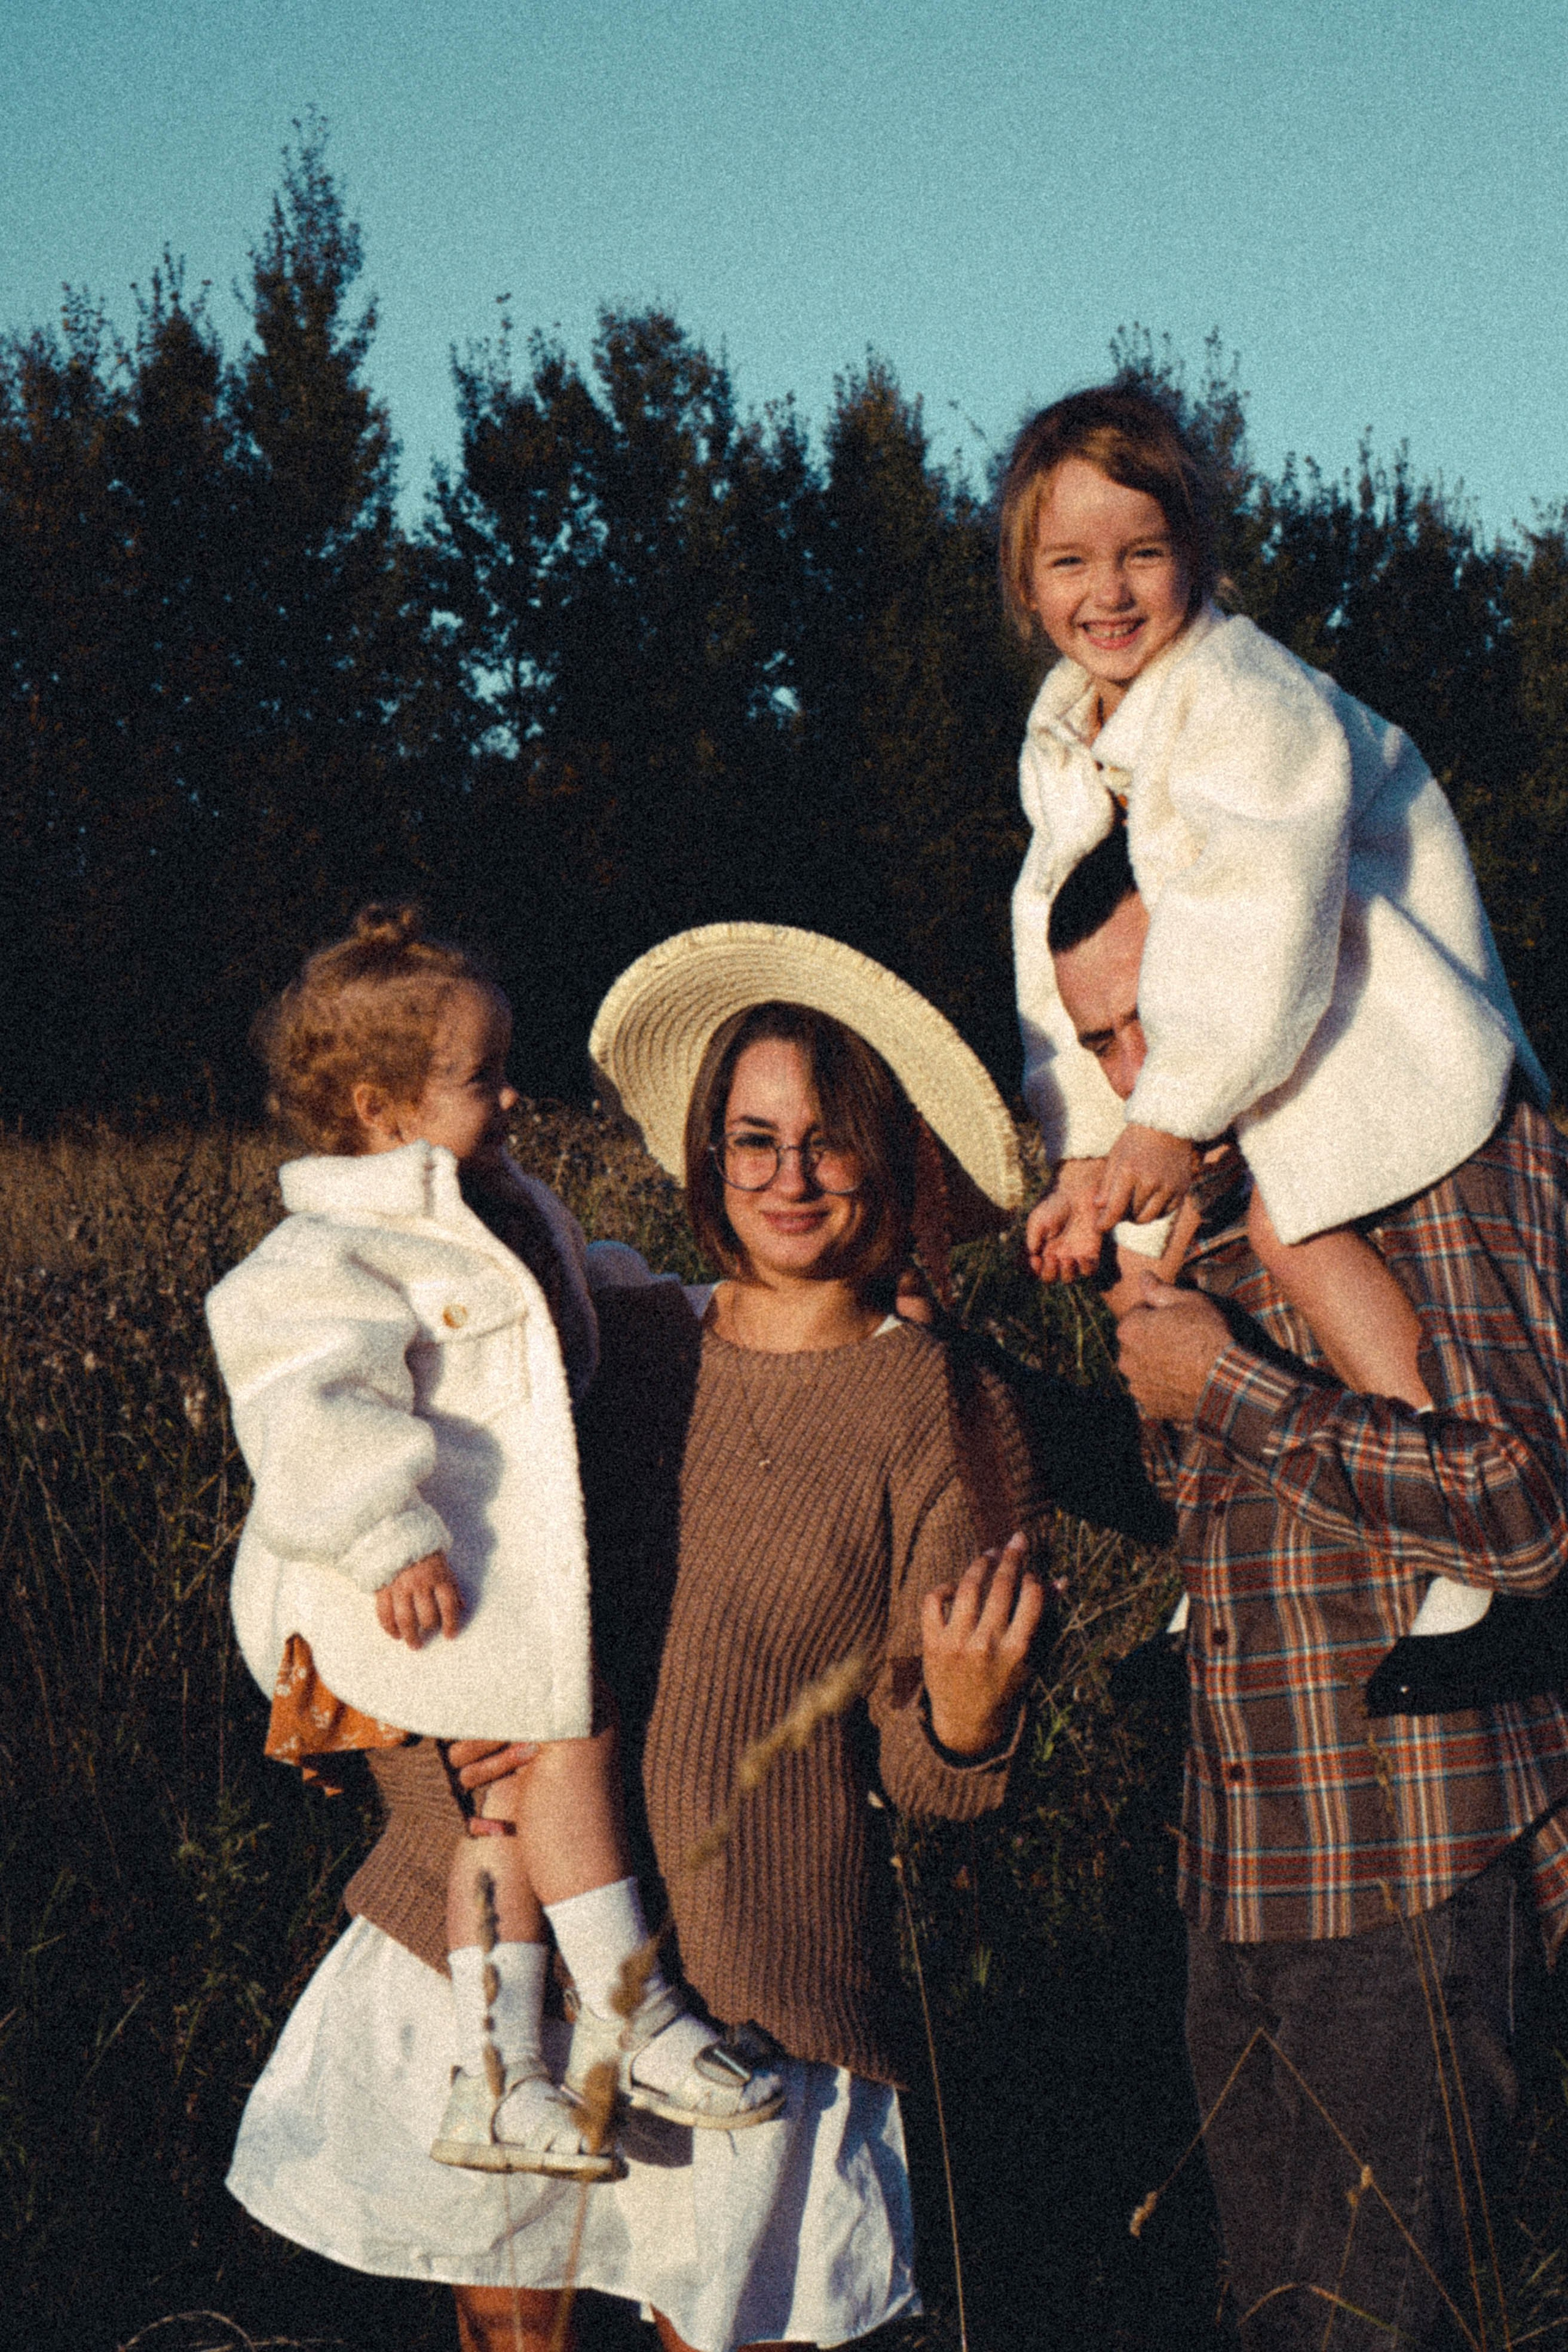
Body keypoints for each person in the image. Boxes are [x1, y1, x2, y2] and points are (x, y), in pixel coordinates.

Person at [225, 919, 1046, 2352]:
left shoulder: (941, 1408)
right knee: (508, 2325)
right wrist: (417, 1737)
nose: (789, 1178)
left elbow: (929, 1777)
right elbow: (422, 1567)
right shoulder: (609, 1340)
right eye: (752, 1137)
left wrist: (971, 1715)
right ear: (707, 1154)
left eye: (831, 1139)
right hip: (501, 1945)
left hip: (752, 1972)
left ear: (899, 1159)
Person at [1048, 833, 1568, 2350]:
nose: (1145, 1072)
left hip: (1405, 1872)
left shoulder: (1432, 1149)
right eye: (1103, 1045)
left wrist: (1221, 1380)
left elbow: (1524, 1509)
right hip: (1245, 1877)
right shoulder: (1214, 1194)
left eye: (1159, 1013)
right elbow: (1215, 1515)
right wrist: (969, 1381)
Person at [206, 905, 784, 2197]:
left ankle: (494, 2078)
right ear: (378, 1106)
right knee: (568, 1737)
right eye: (481, 1076)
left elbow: (585, 1297)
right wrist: (383, 1525)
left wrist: (692, 1307)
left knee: (504, 1804)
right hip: (386, 1576)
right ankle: (628, 2010)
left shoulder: (499, 1202)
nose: (512, 1092)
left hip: (469, 1576)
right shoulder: (332, 1247)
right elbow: (303, 1395)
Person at [1005, 383, 1548, 1446]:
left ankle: (1442, 1460)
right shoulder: (1070, 741)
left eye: (1143, 555)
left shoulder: (1245, 697)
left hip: (1372, 1021)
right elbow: (1054, 938)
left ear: (1197, 559)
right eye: (1071, 563)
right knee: (1147, 1258)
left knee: (1290, 1229)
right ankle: (1247, 1492)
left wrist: (1172, 1114)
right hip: (1263, 1037)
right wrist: (1085, 1141)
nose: (1107, 593)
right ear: (1029, 586)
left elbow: (1258, 908)